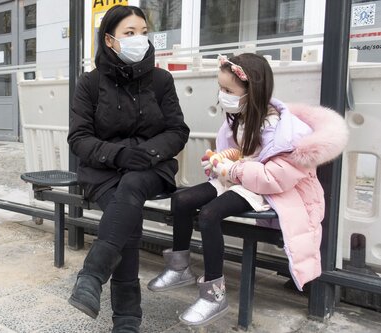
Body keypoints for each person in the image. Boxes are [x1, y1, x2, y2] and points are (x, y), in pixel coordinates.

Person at [147, 53, 349, 326]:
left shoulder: (282, 129)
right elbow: (243, 151)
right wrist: (221, 159)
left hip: (264, 190)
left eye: (228, 90)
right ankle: (179, 267)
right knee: (181, 199)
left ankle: (213, 295)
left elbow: (273, 177)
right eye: (221, 88)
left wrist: (230, 169)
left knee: (209, 215)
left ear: (251, 90)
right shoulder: (241, 117)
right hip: (239, 179)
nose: (223, 95)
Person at [67, 5, 190, 332]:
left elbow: (178, 131)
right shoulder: (90, 84)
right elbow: (79, 138)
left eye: (143, 32)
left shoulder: (161, 80)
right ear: (110, 40)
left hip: (152, 168)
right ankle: (126, 321)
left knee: (133, 186)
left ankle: (92, 276)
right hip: (104, 171)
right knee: (128, 217)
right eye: (130, 33)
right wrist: (119, 155)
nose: (140, 39)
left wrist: (147, 153)